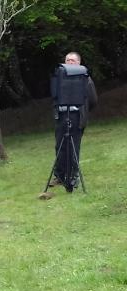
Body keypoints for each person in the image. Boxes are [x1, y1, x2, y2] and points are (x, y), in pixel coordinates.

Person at [50, 51, 98, 189]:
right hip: (61, 116)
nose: (69, 62)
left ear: (78, 63)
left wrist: (82, 110)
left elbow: (93, 99)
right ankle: (59, 176)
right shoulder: (59, 78)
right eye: (67, 60)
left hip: (77, 117)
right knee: (60, 146)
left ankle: (73, 176)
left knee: (73, 146)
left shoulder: (85, 78)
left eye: (72, 60)